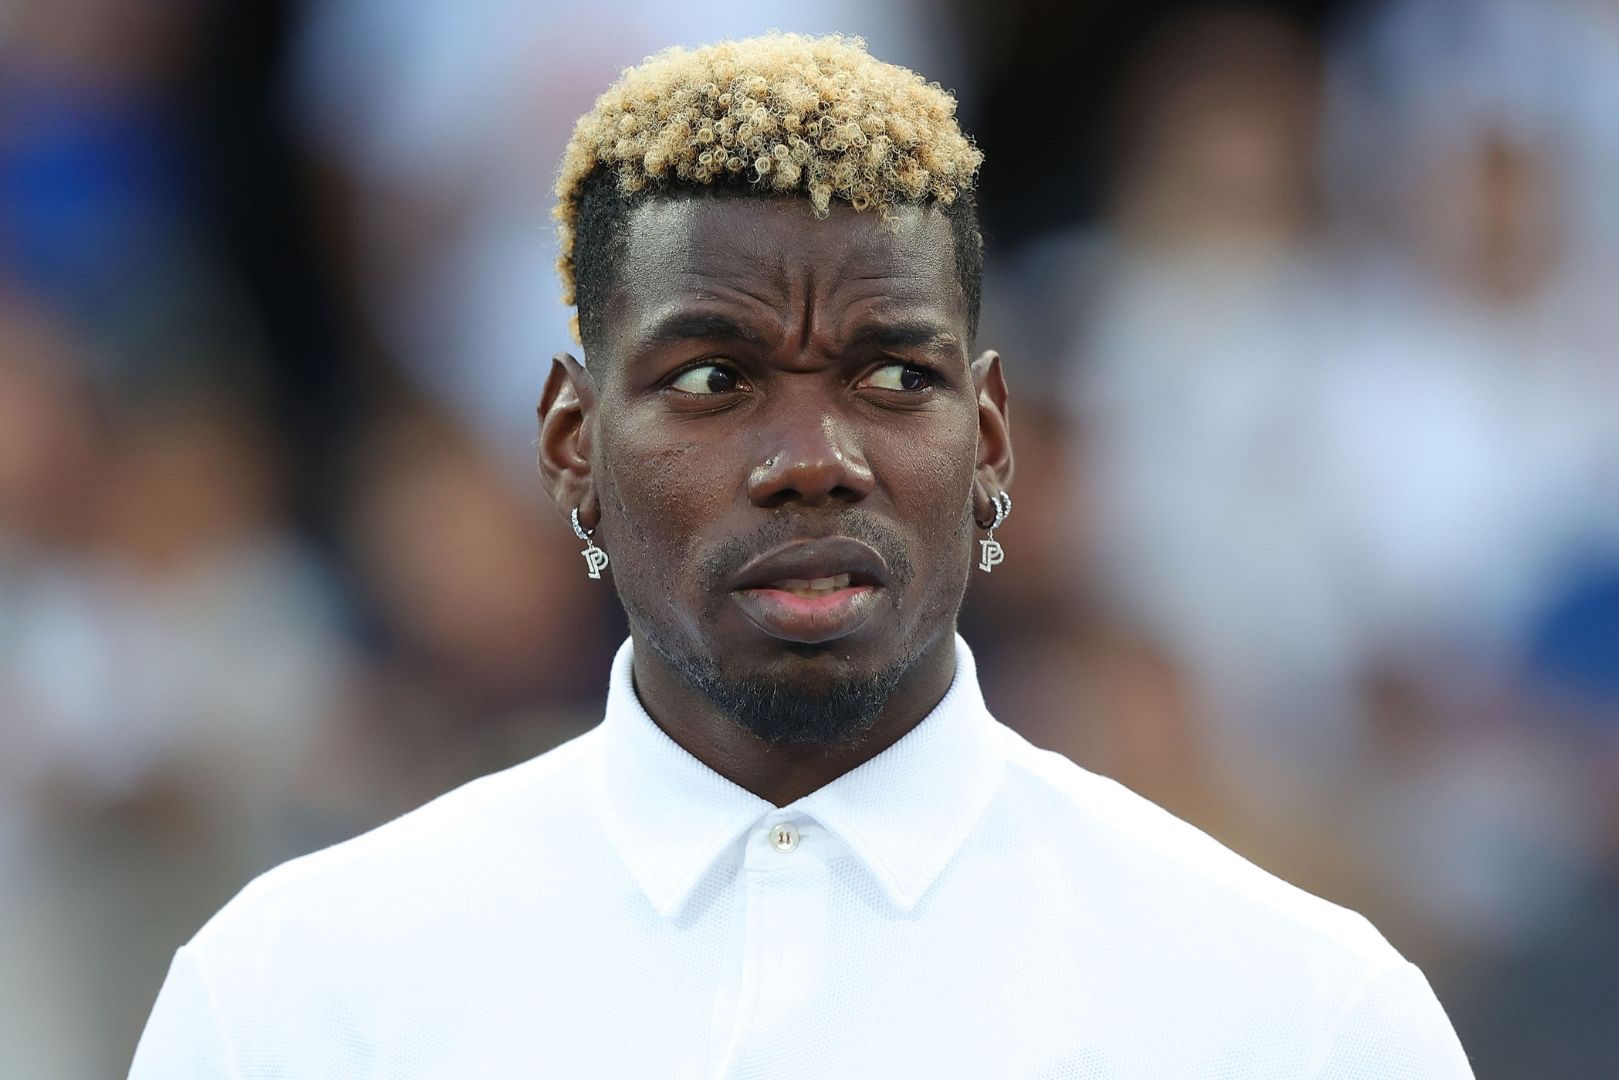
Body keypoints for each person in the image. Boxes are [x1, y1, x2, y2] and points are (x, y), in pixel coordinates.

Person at [129, 33, 1473, 1078]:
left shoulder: (1291, 1018)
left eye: (893, 374)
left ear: (991, 440)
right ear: (571, 444)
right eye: (716, 375)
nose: (812, 455)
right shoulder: (296, 1000)